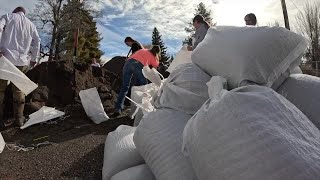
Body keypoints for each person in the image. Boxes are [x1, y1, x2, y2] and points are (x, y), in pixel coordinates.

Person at [0, 7, 40, 130]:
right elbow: (37, 40)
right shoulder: (31, 24)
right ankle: (19, 119)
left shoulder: (8, 16)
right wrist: (34, 58)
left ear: (15, 11)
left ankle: (0, 121)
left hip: (5, 58)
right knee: (18, 91)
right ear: (24, 12)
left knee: (0, 90)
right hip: (22, 61)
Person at [112, 45, 161, 117]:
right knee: (144, 87)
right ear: (157, 52)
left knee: (125, 87)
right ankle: (142, 109)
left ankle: (118, 108)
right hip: (138, 65)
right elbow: (155, 68)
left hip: (127, 63)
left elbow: (132, 56)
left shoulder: (143, 50)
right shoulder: (154, 56)